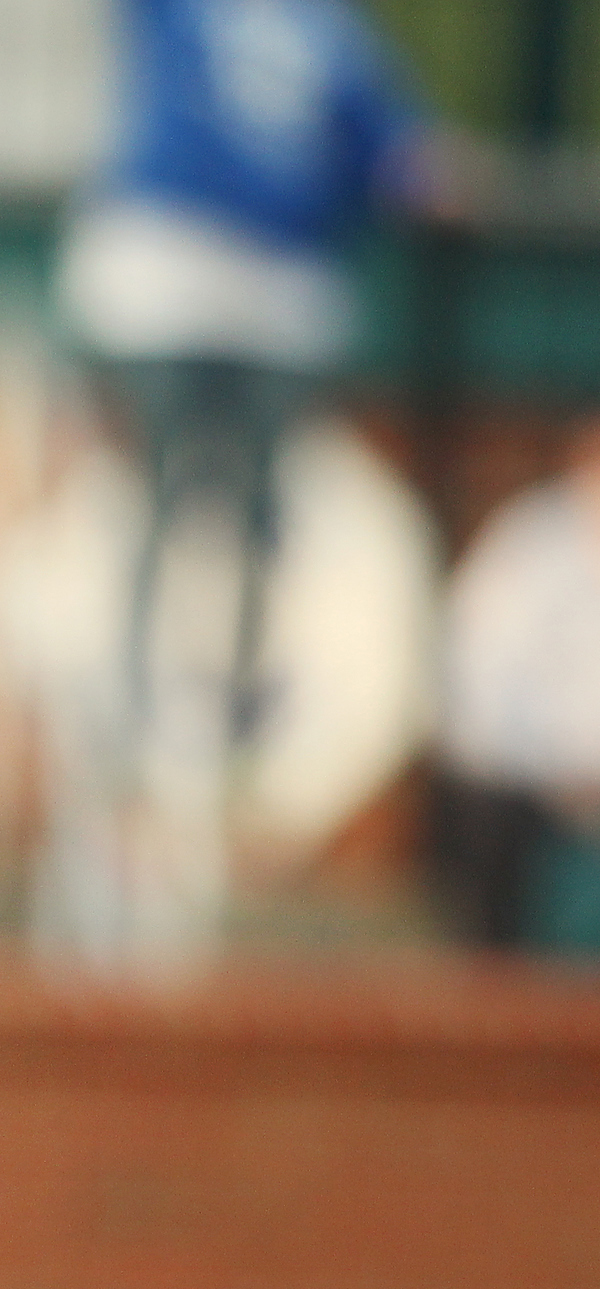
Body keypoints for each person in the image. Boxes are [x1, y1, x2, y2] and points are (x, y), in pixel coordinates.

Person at [57, 0, 435, 741]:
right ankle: (131, 693)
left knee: (262, 507)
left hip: (283, 289)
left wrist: (424, 172)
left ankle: (240, 698)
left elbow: (393, 147)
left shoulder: (336, 34)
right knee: (155, 494)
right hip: (165, 269)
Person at [430, 418, 600, 951]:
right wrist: (559, 773)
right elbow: (474, 688)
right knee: (480, 804)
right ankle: (494, 992)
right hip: (537, 788)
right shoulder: (528, 542)